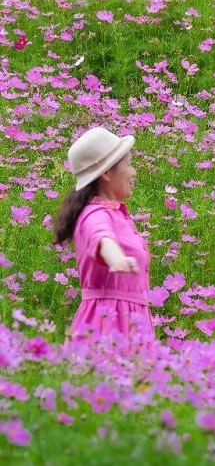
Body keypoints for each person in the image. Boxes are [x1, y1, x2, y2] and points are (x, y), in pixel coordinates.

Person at [53, 126, 154, 339]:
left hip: (130, 321)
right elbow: (101, 235)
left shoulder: (115, 213)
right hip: (108, 323)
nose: (133, 171)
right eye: (128, 164)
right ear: (106, 173)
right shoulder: (94, 213)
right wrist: (115, 258)